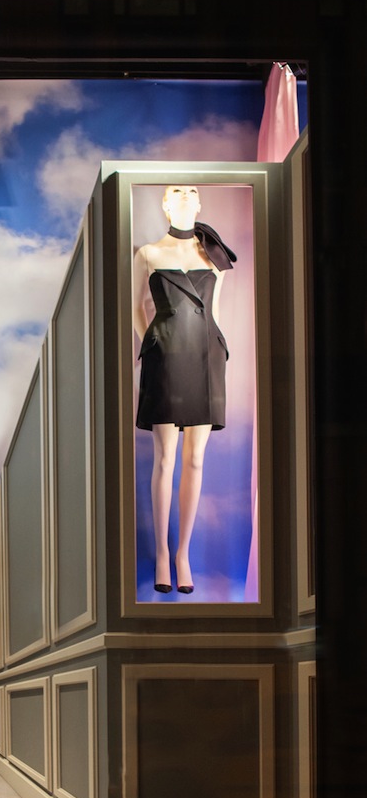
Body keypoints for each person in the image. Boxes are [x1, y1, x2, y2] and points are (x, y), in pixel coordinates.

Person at [133, 185, 235, 595]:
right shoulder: (148, 253)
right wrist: (154, 343)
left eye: (192, 191)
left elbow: (215, 311)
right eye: (177, 191)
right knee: (166, 458)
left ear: (199, 202)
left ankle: (183, 555)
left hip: (206, 359)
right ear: (165, 204)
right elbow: (135, 307)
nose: (186, 196)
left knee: (194, 460)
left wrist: (219, 350)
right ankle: (161, 553)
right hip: (166, 358)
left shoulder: (213, 254)